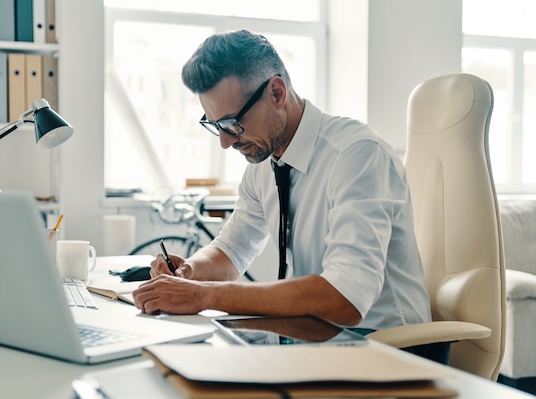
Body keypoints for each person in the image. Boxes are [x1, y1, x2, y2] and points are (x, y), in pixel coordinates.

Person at [132, 29, 431, 333]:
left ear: (276, 93)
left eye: (232, 123)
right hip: (320, 339)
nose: (224, 142)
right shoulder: (263, 162)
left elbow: (346, 298)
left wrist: (204, 295)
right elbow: (230, 250)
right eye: (215, 125)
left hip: (390, 346)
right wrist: (190, 272)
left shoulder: (358, 155)